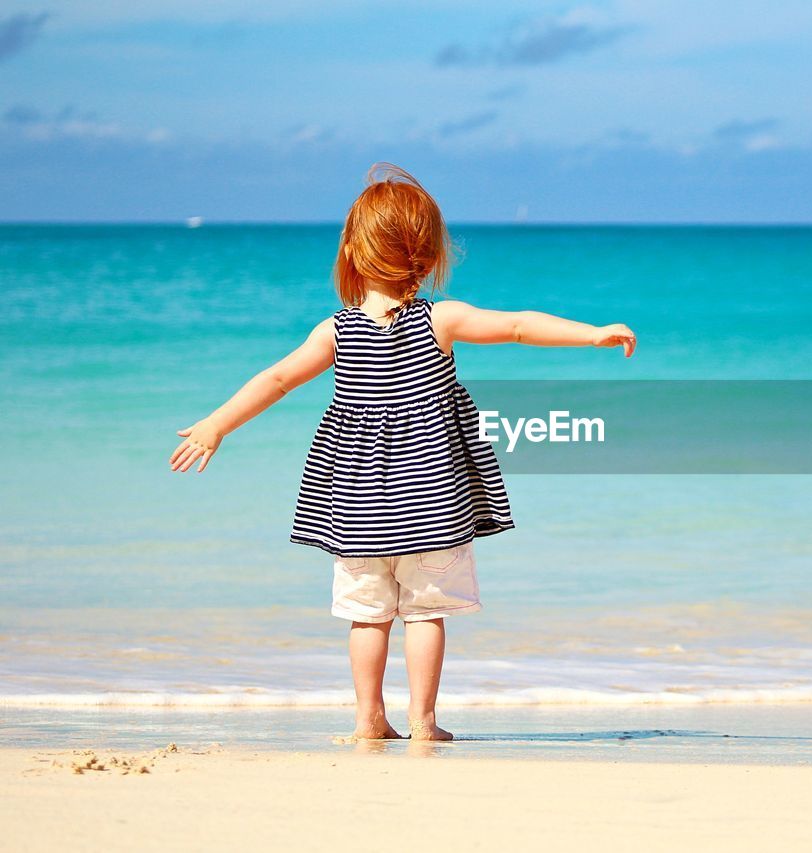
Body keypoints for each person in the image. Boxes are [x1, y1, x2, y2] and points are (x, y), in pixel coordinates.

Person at [168, 163, 636, 741]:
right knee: (424, 613)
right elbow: (517, 326)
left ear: (349, 250)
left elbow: (278, 380)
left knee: (367, 618)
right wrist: (591, 333)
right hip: (434, 508)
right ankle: (423, 721)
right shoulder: (441, 319)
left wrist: (218, 424)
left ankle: (368, 719)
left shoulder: (335, 331)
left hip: (356, 509)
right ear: (428, 254)